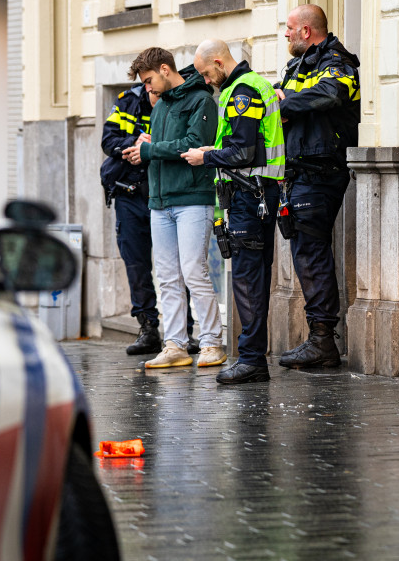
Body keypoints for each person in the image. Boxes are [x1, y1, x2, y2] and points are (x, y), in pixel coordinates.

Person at [184, 39, 285, 384]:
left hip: (250, 195)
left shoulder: (243, 92)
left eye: (205, 72)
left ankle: (253, 359)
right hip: (253, 194)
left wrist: (206, 156)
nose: (206, 79)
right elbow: (244, 146)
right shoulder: (246, 86)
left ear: (218, 61)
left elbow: (243, 153)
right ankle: (253, 359)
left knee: (248, 279)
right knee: (250, 277)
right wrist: (215, 149)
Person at [121, 47, 226, 370]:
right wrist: (146, 145)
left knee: (194, 271)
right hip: (160, 201)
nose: (147, 88)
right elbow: (166, 145)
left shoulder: (201, 100)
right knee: (166, 276)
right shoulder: (160, 106)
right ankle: (175, 344)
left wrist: (150, 150)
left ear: (166, 70)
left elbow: (193, 143)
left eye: (150, 80)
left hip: (193, 198)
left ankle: (212, 343)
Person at [274, 4, 361, 369]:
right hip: (298, 172)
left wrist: (288, 103)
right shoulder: (296, 66)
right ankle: (318, 338)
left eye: (290, 27)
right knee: (306, 255)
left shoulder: (337, 60)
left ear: (307, 31)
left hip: (321, 171)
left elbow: (333, 93)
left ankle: (324, 341)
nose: (286, 34)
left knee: (311, 255)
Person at [100, 85, 197, 356]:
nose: (154, 90)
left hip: (165, 192)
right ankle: (148, 328)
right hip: (130, 194)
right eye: (149, 86)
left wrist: (154, 146)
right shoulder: (127, 101)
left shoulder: (177, 100)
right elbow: (108, 141)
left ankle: (184, 332)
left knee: (177, 266)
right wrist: (134, 144)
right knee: (136, 264)